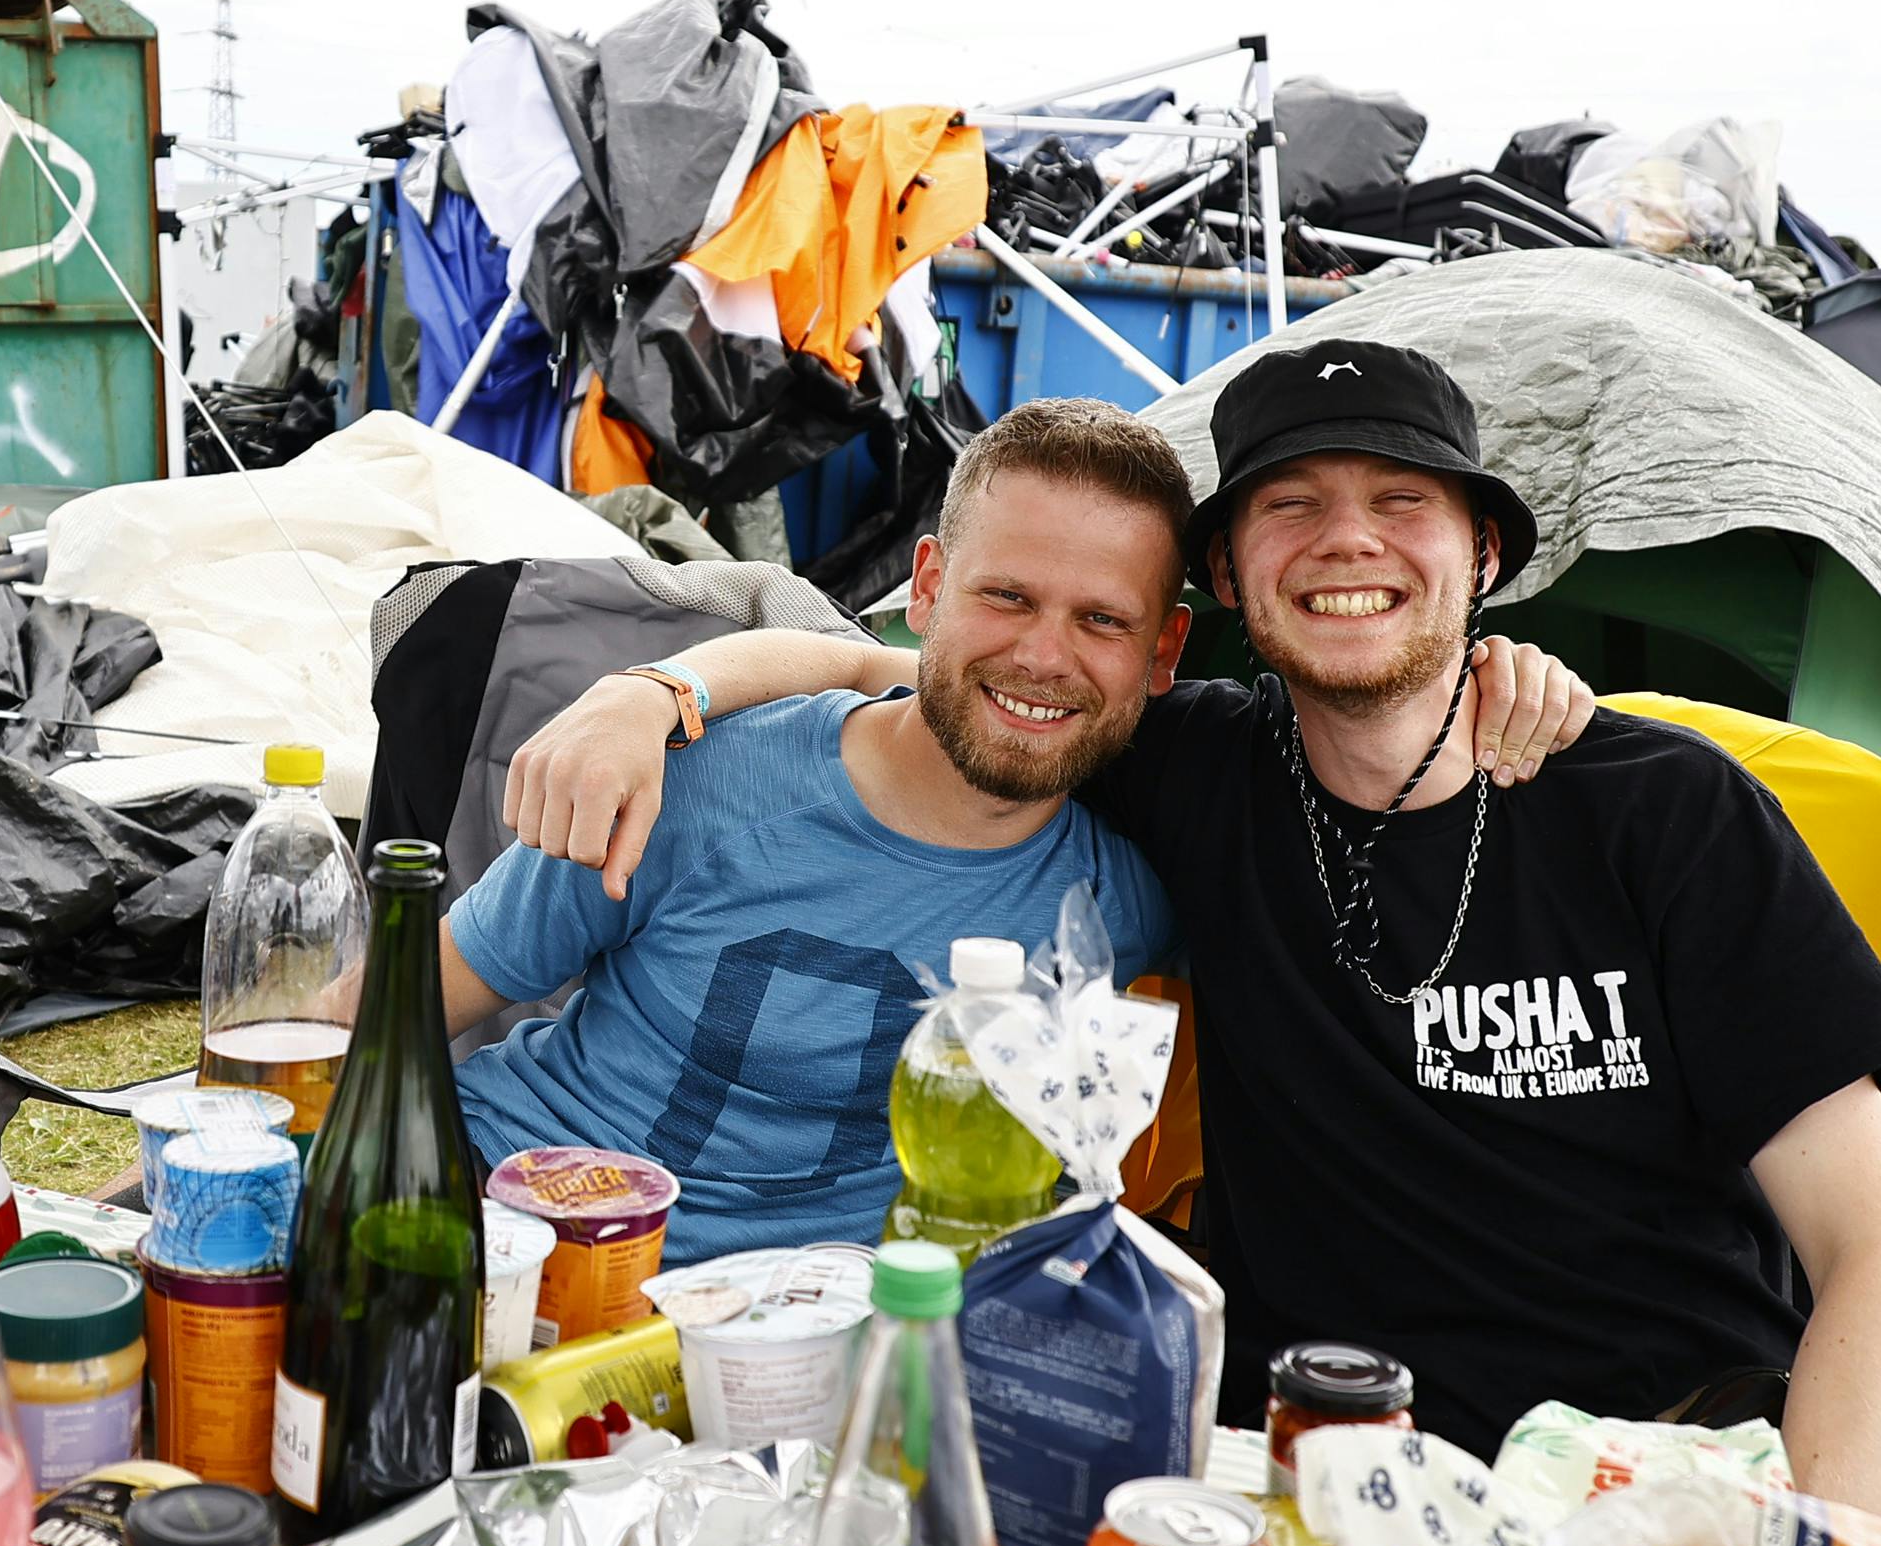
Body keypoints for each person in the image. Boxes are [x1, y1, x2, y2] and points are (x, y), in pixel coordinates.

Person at [503, 343, 1881, 1517]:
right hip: (1292, 1476)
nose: (1347, 544)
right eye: (1291, 505)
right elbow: (936, 671)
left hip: (1651, 1476)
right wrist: (659, 691)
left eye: (1403, 504)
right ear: (1228, 584)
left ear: (1486, 555)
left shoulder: (1664, 815)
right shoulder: (1185, 770)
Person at [430, 395, 1591, 1264]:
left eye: (1102, 620)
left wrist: (1493, 676)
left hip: (817, 1353)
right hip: (502, 1242)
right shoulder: (694, 779)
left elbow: (1387, 807)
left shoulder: (1136, 882)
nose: (1044, 654)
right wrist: (660, 690)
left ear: (1164, 657)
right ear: (925, 586)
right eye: (1006, 597)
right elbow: (391, 1011)